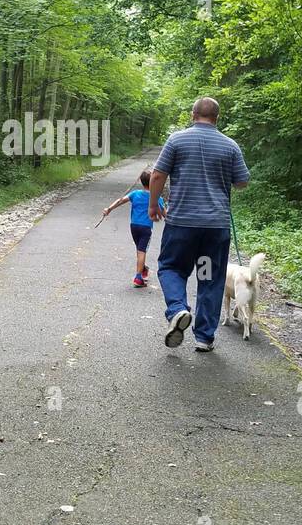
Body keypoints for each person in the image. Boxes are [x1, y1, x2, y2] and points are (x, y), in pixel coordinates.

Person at [148, 97, 250, 352]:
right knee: (208, 278)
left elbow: (158, 174)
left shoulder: (177, 140)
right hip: (214, 229)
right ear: (217, 117)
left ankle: (178, 309)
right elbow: (242, 182)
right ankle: (204, 337)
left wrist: (153, 205)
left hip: (182, 225)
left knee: (172, 267)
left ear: (193, 114)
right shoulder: (230, 145)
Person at [101, 168, 165, 287]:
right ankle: (138, 277)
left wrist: (109, 209)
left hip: (134, 226)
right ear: (152, 182)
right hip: (146, 228)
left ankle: (143, 269)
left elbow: (120, 201)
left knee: (139, 250)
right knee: (142, 251)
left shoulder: (135, 194)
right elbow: (165, 214)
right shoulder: (157, 197)